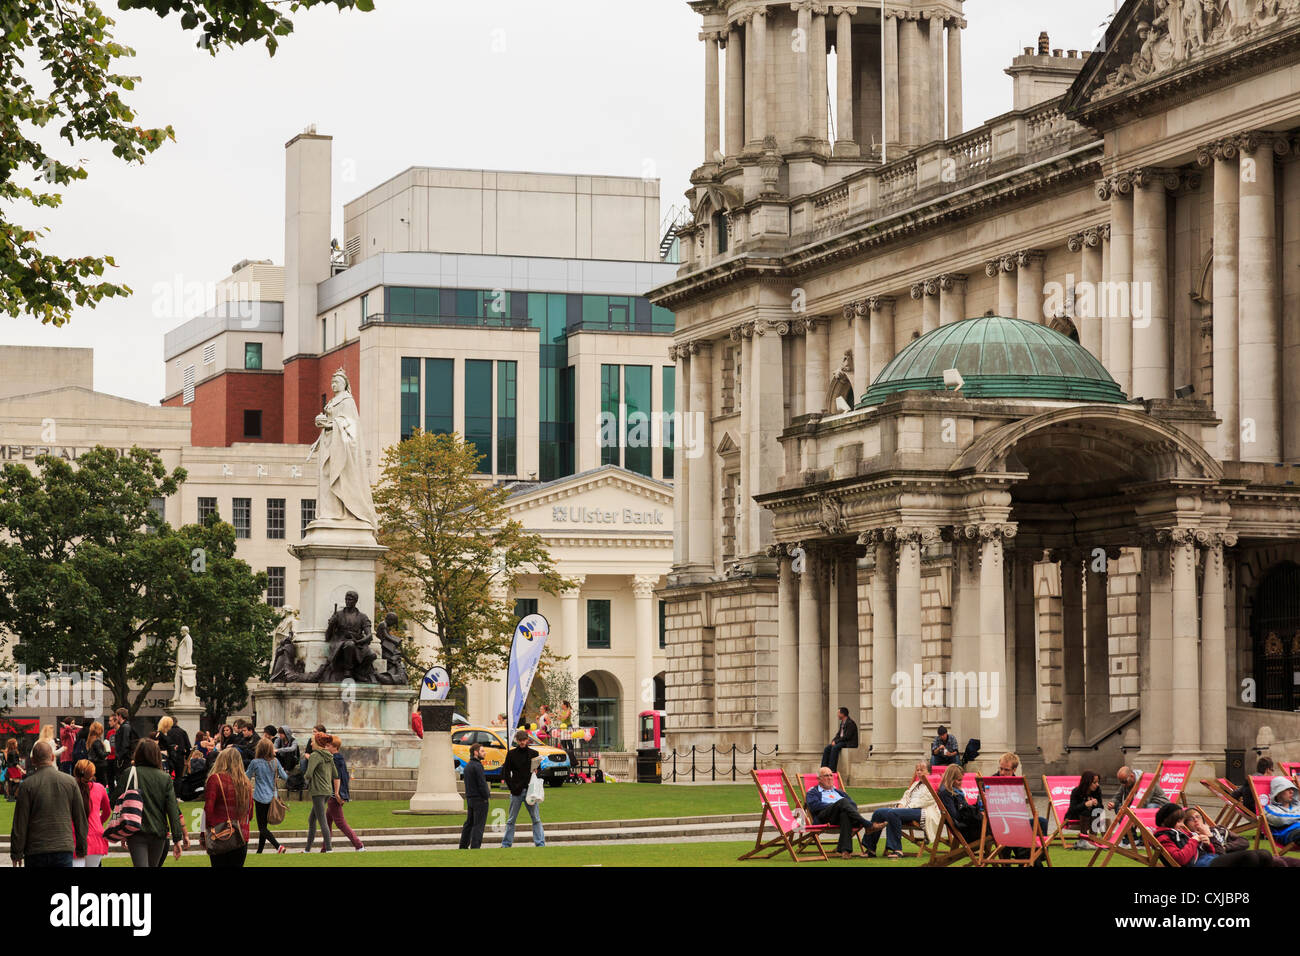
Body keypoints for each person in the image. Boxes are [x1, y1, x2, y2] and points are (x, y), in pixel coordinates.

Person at [9, 741, 87, 867]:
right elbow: (80, 818)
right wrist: (82, 847)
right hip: (62, 847)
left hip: (36, 849)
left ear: (33, 760)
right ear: (52, 757)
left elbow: (20, 822)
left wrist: (16, 852)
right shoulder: (70, 782)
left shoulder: (28, 785)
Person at [125, 738, 187, 867]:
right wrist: (177, 838)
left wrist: (120, 827)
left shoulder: (130, 774)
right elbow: (173, 810)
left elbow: (116, 803)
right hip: (158, 831)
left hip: (136, 830)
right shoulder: (165, 778)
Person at [1152, 803, 1275, 867]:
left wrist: (1207, 844)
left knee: (1264, 854)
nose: (1181, 824)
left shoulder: (1181, 832)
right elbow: (1181, 859)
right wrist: (1194, 840)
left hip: (1210, 859)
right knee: (1250, 857)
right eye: (1179, 821)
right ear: (1168, 820)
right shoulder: (1164, 837)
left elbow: (1212, 852)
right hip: (1200, 865)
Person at [861, 762, 939, 859]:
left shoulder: (932, 784)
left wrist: (905, 808)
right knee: (879, 812)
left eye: (922, 770)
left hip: (923, 811)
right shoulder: (915, 784)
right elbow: (906, 796)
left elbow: (925, 801)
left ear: (929, 772)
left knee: (893, 813)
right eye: (917, 770)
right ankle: (871, 849)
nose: (918, 772)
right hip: (906, 810)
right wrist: (900, 804)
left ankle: (897, 849)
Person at [804, 766, 873, 859]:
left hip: (839, 819)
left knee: (845, 814)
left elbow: (853, 805)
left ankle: (845, 851)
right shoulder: (813, 792)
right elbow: (813, 806)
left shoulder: (839, 792)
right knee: (843, 802)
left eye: (831, 775)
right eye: (826, 776)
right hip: (824, 818)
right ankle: (867, 824)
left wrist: (839, 806)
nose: (829, 778)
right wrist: (835, 805)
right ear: (819, 779)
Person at [202, 747, 252, 868]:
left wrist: (204, 834)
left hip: (220, 834)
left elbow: (208, 810)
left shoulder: (215, 779)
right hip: (241, 836)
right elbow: (250, 815)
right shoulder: (246, 783)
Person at [500, 729, 545, 849]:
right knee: (511, 820)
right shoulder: (511, 754)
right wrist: (511, 788)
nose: (522, 742)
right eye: (520, 740)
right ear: (516, 740)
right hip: (516, 791)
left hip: (531, 790)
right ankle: (506, 844)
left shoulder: (534, 753)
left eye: (524, 740)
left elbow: (539, 771)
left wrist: (537, 771)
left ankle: (540, 843)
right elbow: (505, 772)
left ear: (527, 740)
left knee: (536, 818)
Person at [325, 736, 365, 851]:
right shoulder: (339, 758)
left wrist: (337, 794)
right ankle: (326, 848)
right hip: (337, 794)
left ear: (335, 747)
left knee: (340, 823)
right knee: (327, 822)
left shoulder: (335, 759)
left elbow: (337, 777)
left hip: (335, 795)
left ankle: (359, 845)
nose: (326, 747)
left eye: (328, 746)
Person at [303, 731, 339, 853]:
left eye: (312, 741)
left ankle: (329, 848)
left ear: (318, 743)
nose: (311, 743)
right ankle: (307, 849)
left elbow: (308, 774)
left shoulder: (315, 755)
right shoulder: (329, 755)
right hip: (327, 790)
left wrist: (304, 779)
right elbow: (335, 774)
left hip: (318, 791)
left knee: (322, 820)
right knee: (312, 819)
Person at [72, 759, 110, 868]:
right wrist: (98, 821)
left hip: (75, 836)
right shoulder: (100, 788)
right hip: (96, 836)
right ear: (92, 773)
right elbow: (107, 811)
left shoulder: (70, 787)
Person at [937, 763, 982, 843]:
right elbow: (955, 816)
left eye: (962, 779)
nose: (961, 783)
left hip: (969, 827)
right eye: (959, 780)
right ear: (951, 780)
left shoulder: (958, 792)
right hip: (967, 831)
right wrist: (969, 811)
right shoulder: (946, 794)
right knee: (991, 828)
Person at [460, 742, 490, 850]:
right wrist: (486, 796)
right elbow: (482, 784)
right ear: (475, 753)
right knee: (479, 825)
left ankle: (463, 845)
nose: (485, 753)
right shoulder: (478, 766)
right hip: (479, 799)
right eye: (482, 751)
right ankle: (475, 846)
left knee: (469, 823)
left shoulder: (468, 766)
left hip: (470, 798)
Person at [1067, 770, 1105, 849]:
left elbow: (1101, 808)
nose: (1097, 785)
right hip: (1076, 817)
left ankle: (1093, 839)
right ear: (1087, 782)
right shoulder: (1076, 792)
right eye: (1094, 782)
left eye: (1098, 782)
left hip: (1092, 817)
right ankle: (1084, 839)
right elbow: (1072, 809)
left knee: (1097, 811)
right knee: (1085, 811)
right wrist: (1085, 804)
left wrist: (1097, 804)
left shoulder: (1097, 791)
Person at [1264, 775, 1300, 845]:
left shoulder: (1298, 805)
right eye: (1287, 789)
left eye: (1292, 789)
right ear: (1278, 792)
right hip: (1286, 834)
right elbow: (1280, 819)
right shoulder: (1269, 808)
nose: (1291, 791)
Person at [821, 706, 859, 773]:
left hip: (849, 742)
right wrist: (834, 740)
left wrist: (836, 741)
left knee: (835, 748)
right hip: (842, 741)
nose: (837, 715)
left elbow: (847, 736)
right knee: (827, 748)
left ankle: (832, 769)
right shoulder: (842, 723)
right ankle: (823, 768)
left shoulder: (850, 723)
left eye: (838, 713)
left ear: (842, 714)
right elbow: (838, 734)